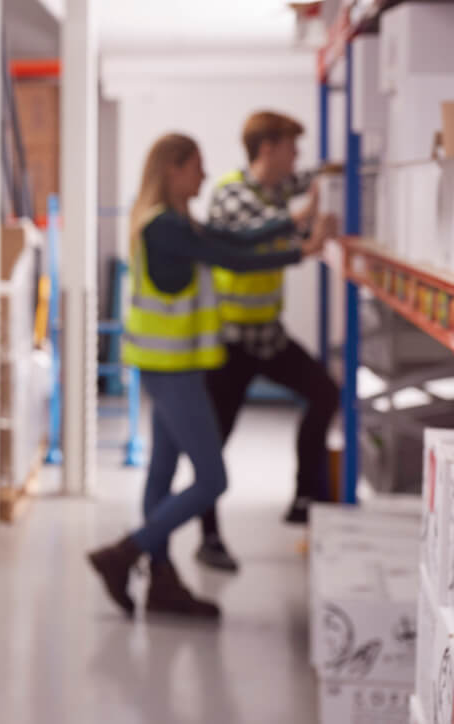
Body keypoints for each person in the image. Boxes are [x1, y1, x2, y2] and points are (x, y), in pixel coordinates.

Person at [87, 133, 329, 620]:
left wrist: (294, 222)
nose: (203, 174)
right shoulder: (164, 229)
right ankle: (125, 553)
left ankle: (161, 581)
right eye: (196, 166)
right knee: (213, 479)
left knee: (161, 473)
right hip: (174, 370)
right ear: (173, 170)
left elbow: (230, 240)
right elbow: (232, 257)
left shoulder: (174, 223)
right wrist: (302, 250)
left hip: (173, 367)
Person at [195, 110, 342, 573]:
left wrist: (329, 173)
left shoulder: (274, 189)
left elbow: (297, 184)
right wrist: (306, 240)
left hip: (268, 336)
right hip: (230, 344)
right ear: (267, 149)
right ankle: (209, 537)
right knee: (212, 445)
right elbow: (255, 237)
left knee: (324, 392)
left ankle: (304, 495)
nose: (295, 156)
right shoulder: (232, 195)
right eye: (290, 147)